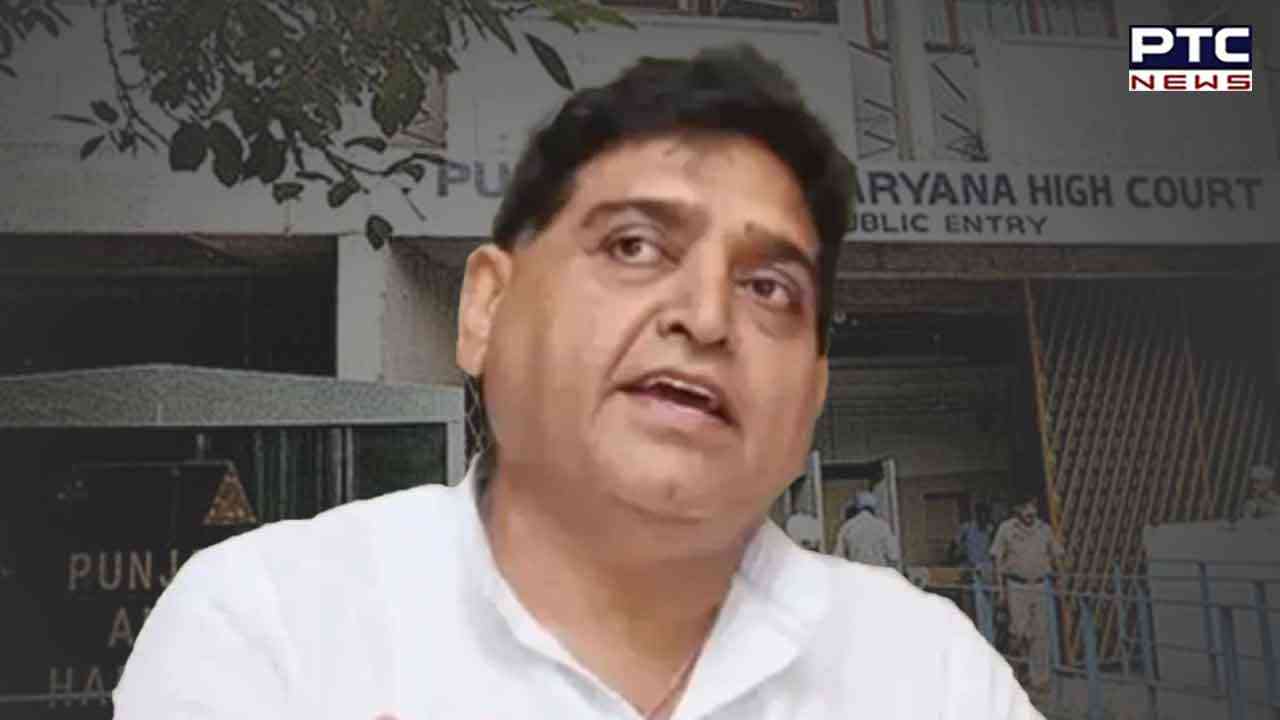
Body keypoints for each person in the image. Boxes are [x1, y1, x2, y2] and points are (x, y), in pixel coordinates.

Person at [113, 46, 1041, 719]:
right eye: (634, 246)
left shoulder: (930, 675)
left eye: (769, 288)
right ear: (486, 311)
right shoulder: (274, 628)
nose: (706, 318)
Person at [990, 493, 1065, 698]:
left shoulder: (1044, 529)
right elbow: (997, 559)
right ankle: (1018, 669)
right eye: (1025, 508)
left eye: (1032, 507)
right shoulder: (1007, 529)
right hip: (1017, 585)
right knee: (1018, 632)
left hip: (1040, 585)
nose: (1030, 512)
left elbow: (1056, 553)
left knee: (1040, 632)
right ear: (1017, 510)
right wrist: (1000, 590)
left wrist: (1061, 579)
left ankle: (1039, 679)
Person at [833, 491, 902, 570]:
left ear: (857, 508)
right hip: (879, 573)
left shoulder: (847, 527)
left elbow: (838, 558)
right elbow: (894, 556)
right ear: (874, 509)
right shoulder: (883, 527)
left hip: (857, 574)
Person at [956, 502, 995, 580]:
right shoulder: (966, 527)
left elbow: (994, 548)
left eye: (985, 514)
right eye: (980, 514)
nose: (983, 517)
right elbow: (957, 545)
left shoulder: (991, 529)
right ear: (976, 514)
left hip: (985, 567)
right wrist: (963, 551)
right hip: (969, 566)